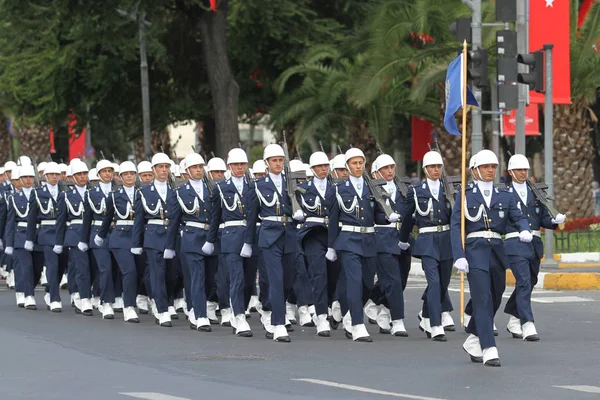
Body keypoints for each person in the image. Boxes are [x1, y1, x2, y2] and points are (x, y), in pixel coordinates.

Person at [451, 150, 531, 367]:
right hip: (475, 250)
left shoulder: (504, 195)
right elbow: (456, 225)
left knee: (496, 296)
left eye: (493, 167)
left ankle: (474, 337)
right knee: (482, 299)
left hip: (497, 250)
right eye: (485, 166)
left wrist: (524, 229)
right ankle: (489, 347)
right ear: (474, 170)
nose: (490, 170)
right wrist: (459, 255)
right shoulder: (465, 194)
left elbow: (518, 216)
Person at [327, 148, 400, 342]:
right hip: (348, 241)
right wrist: (331, 246)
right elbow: (334, 220)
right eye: (354, 163)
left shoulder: (372, 188)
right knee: (354, 281)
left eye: (361, 163)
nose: (358, 166)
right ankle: (358, 326)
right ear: (347, 166)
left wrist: (387, 217)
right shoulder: (338, 189)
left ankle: (351, 314)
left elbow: (376, 214)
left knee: (367, 283)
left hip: (369, 241)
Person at [503, 154, 566, 341]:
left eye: (525, 170)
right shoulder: (505, 194)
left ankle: (514, 319)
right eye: (519, 170)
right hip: (515, 243)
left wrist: (553, 220)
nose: (523, 173)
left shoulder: (535, 192)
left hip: (534, 245)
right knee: (523, 280)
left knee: (530, 282)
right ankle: (527, 323)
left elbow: (541, 218)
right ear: (510, 172)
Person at [243, 144, 297, 343]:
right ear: (267, 163)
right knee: (276, 279)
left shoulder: (291, 182)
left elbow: (300, 207)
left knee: (288, 282)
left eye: (280, 160)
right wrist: (248, 242)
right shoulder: (258, 185)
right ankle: (278, 324)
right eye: (274, 160)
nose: (278, 164)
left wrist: (299, 215)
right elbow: (251, 218)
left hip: (289, 235)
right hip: (268, 236)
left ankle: (271, 309)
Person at [399, 151, 453, 342]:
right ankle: (436, 325)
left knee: (443, 283)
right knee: (435, 282)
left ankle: (425, 314)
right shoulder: (416, 191)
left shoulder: (449, 189)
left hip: (446, 239)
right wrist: (403, 239)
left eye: (438, 166)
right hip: (427, 240)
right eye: (432, 167)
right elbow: (406, 217)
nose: (436, 170)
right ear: (425, 169)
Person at [206, 148, 255, 337]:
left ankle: (241, 309)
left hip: (252, 236)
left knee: (250, 281)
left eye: (242, 164)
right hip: (231, 236)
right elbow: (215, 217)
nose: (239, 168)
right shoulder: (220, 188)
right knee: (237, 279)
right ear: (229, 167)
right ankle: (239, 316)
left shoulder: (254, 186)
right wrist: (211, 240)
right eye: (236, 164)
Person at [165, 153, 213, 332]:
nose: (198, 170)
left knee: (210, 278)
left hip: (211, 238)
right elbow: (174, 221)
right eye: (195, 167)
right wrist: (170, 246)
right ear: (187, 171)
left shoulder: (212, 189)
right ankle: (200, 315)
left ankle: (196, 307)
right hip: (192, 238)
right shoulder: (180, 193)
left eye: (200, 167)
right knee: (197, 277)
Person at [132, 153, 178, 327]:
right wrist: (137, 243)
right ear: (153, 170)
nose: (164, 170)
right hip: (153, 236)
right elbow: (139, 221)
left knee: (172, 274)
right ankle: (162, 308)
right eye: (160, 167)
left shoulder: (175, 192)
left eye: (166, 167)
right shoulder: (144, 192)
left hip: (172, 236)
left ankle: (167, 300)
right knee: (157, 274)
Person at [95, 161, 142, 323]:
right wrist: (100, 236)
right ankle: (123, 306)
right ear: (120, 177)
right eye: (126, 174)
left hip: (139, 237)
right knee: (129, 271)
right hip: (120, 237)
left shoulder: (142, 193)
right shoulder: (114, 196)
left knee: (140, 272)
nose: (129, 176)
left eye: (132, 173)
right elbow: (107, 219)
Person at [295, 151, 335, 337]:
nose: (323, 169)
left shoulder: (336, 187)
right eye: (320, 166)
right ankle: (321, 317)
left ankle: (335, 307)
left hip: (333, 234)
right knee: (319, 275)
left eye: (326, 166)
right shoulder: (302, 189)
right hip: (313, 235)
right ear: (312, 169)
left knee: (336, 275)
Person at [371, 153, 411, 337]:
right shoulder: (372, 191)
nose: (389, 171)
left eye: (391, 167)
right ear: (376, 172)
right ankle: (397, 321)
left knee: (401, 280)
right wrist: (385, 217)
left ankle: (379, 305)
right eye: (385, 168)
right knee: (393, 281)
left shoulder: (403, 188)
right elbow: (371, 215)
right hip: (383, 238)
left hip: (403, 237)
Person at [56, 161, 94, 316]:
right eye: (79, 174)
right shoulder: (65, 196)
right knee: (81, 267)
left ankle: (85, 293)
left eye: (85, 173)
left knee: (93, 267)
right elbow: (60, 221)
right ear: (72, 178)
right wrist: (59, 242)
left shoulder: (93, 192)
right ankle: (82, 297)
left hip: (92, 233)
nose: (83, 177)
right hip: (75, 234)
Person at [5, 165, 43, 310]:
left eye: (30, 177)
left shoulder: (39, 195)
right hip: (20, 235)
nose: (28, 180)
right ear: (20, 180)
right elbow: (10, 222)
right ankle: (28, 295)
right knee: (25, 266)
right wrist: (9, 243)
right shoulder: (14, 198)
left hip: (37, 235)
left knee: (37, 268)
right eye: (25, 177)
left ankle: (24, 288)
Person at [28, 162, 64, 312]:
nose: (54, 177)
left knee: (61, 267)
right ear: (45, 176)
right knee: (52, 265)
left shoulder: (64, 193)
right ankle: (55, 298)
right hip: (46, 232)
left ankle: (50, 291)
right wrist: (30, 238)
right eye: (51, 175)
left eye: (57, 174)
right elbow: (31, 218)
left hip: (62, 232)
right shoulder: (37, 193)